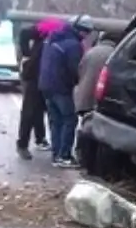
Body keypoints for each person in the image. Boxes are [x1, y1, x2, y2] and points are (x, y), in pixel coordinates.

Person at [38, 15, 94, 168]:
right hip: (61, 88)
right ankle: (64, 155)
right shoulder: (73, 45)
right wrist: (79, 82)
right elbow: (75, 69)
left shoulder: (52, 38)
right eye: (86, 32)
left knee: (55, 121)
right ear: (80, 30)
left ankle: (56, 155)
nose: (86, 36)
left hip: (45, 86)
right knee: (69, 120)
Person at [72, 31, 117, 161]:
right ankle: (91, 157)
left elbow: (80, 69)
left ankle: (80, 152)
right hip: (100, 97)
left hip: (84, 95)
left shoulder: (91, 52)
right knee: (98, 129)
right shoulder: (114, 54)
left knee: (85, 124)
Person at [15, 20, 56, 160]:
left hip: (44, 75)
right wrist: (27, 54)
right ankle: (22, 144)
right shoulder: (54, 29)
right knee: (30, 110)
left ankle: (40, 138)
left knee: (39, 109)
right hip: (35, 74)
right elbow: (24, 33)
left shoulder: (55, 31)